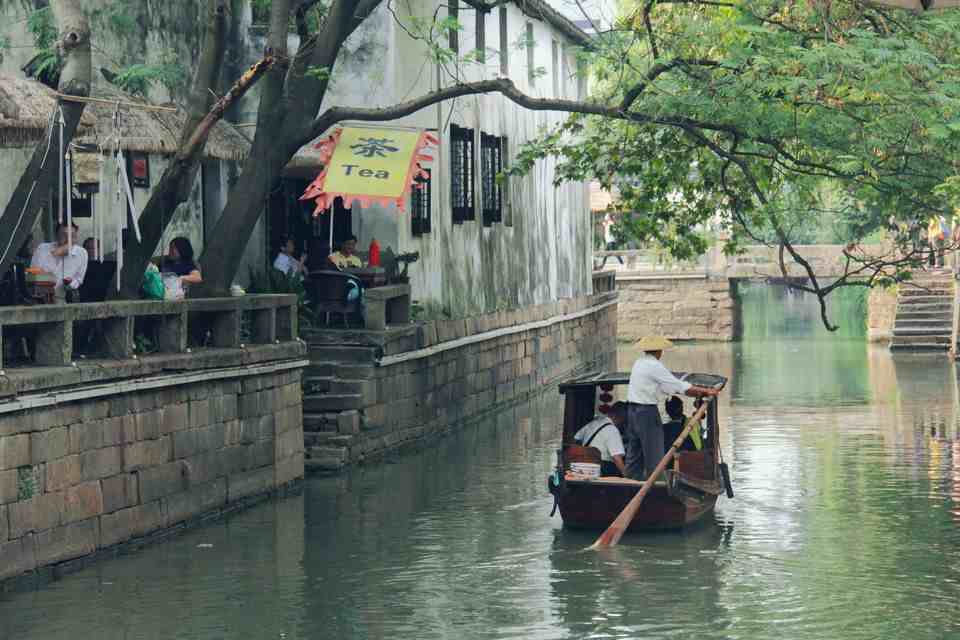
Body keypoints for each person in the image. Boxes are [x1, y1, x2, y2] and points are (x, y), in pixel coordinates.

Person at [625, 336, 720, 480]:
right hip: (646, 412)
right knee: (654, 454)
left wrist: (694, 391)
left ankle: (630, 480)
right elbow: (678, 386)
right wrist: (705, 391)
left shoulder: (639, 363)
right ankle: (655, 486)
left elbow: (667, 387)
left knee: (634, 452)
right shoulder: (654, 365)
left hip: (632, 410)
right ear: (659, 351)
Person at [31, 222, 88, 302]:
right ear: (56, 235)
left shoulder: (81, 253)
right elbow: (33, 273)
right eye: (64, 235)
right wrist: (54, 254)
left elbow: (79, 279)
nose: (68, 239)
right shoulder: (43, 248)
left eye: (72, 235)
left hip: (63, 297)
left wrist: (69, 284)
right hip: (41, 296)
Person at [573, 401, 628, 477]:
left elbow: (576, 438)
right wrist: (627, 476)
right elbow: (617, 458)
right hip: (603, 469)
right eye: (624, 419)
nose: (624, 423)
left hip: (584, 467)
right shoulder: (612, 430)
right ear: (618, 416)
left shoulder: (595, 422)